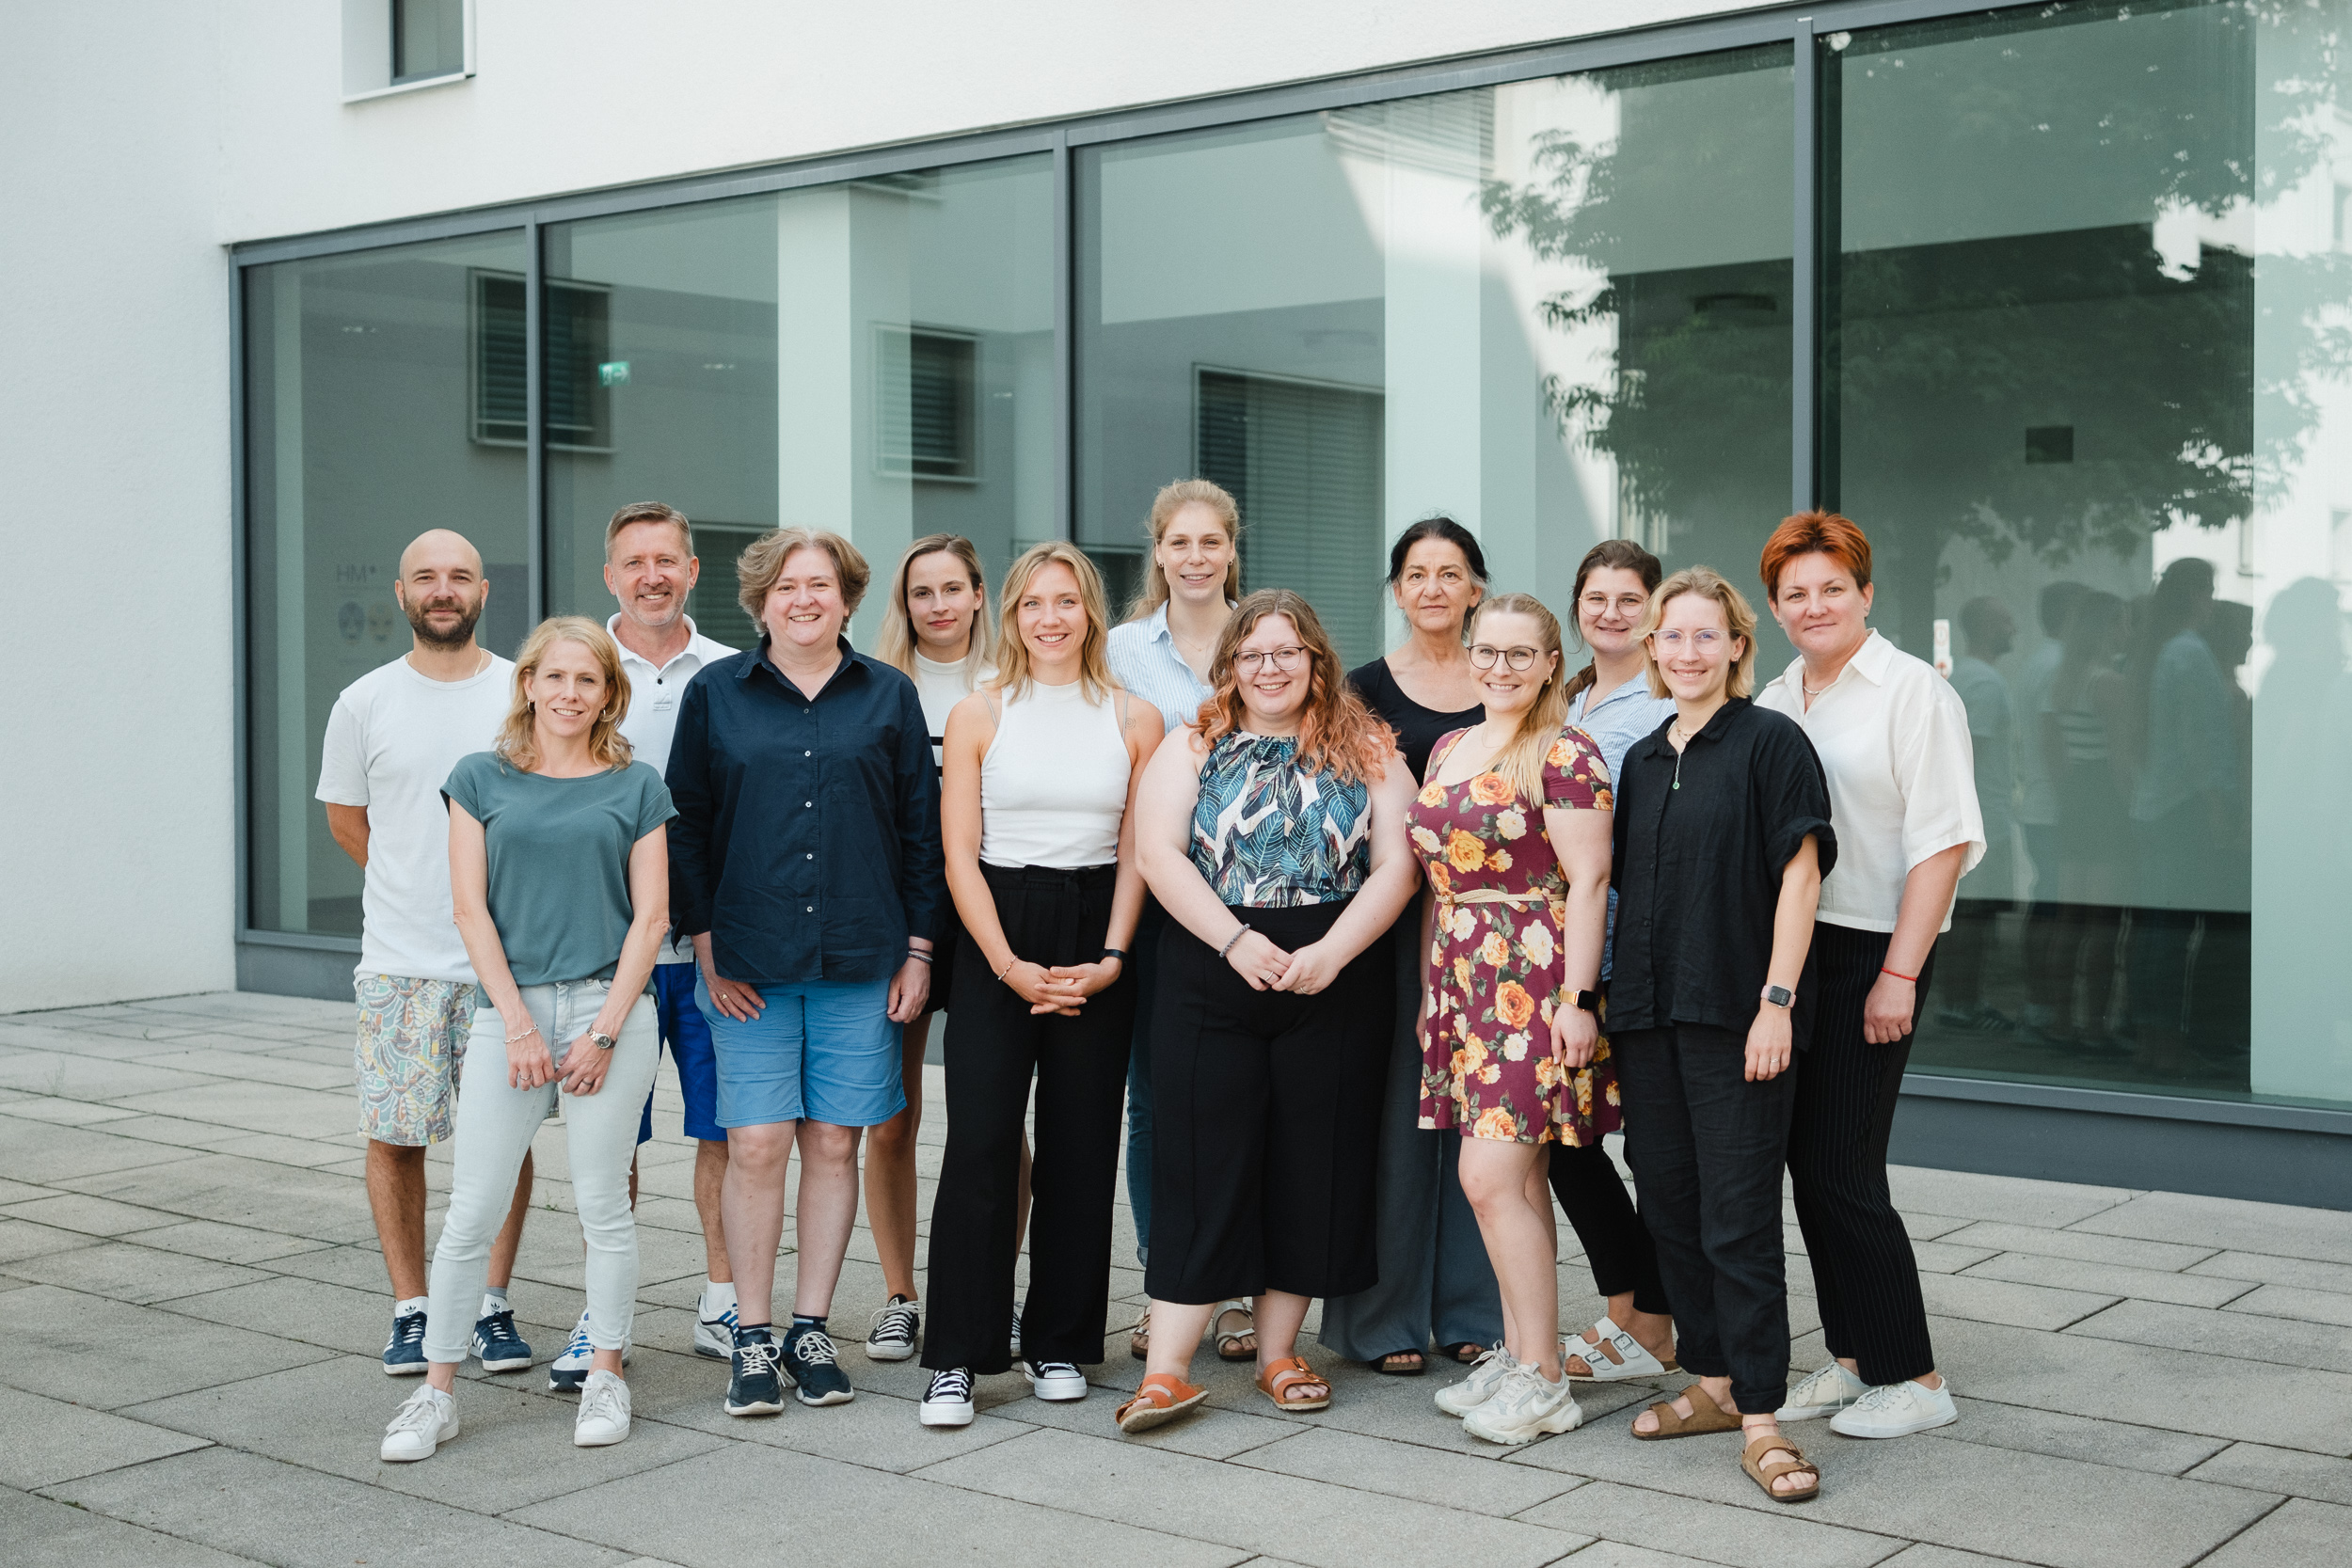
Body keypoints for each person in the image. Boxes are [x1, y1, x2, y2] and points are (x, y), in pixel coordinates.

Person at [1113, 591, 1420, 1433]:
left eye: (1288, 652)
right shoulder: (1192, 743)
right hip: (1210, 968)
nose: (1271, 668)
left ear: (1317, 659)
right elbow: (1157, 855)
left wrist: (1335, 950)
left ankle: (1282, 1353)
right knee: (1201, 1161)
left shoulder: (1370, 749)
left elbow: (1398, 863)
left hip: (1336, 972)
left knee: (1310, 1162)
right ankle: (1169, 1369)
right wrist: (1234, 940)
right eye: (1254, 654)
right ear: (1231, 666)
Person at [379, 617, 675, 1460]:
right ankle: (437, 1393)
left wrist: (606, 1032)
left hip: (609, 1013)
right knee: (470, 1210)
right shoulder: (479, 778)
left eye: (589, 680)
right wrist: (514, 1023)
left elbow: (651, 916)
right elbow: (470, 908)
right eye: (556, 678)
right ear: (530, 685)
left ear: (608, 693)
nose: (570, 694)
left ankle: (607, 1371)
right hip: (504, 1013)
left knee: (602, 1205)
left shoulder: (636, 785)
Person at [665, 527, 942, 1416]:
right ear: (760, 601)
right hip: (747, 959)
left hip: (863, 957)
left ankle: (810, 1326)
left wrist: (921, 951)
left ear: (849, 597)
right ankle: (750, 1333)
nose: (803, 599)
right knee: (755, 1142)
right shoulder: (716, 694)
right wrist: (705, 944)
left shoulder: (889, 696)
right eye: (785, 586)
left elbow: (921, 835)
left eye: (820, 584)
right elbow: (686, 827)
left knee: (834, 1139)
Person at [917, 544, 1164, 1426]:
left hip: (1097, 922)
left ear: (1090, 613)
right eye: (1033, 604)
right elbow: (957, 853)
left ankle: (1058, 1340)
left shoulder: (1134, 718)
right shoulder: (981, 713)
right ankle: (957, 1355)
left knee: (1080, 1146)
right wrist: (1006, 962)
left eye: (1066, 602)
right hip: (998, 925)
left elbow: (1138, 850)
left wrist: (1112, 956)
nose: (1050, 618)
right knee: (981, 1142)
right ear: (1011, 614)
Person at [1756, 512, 1983, 1441]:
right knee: (1807, 1166)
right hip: (1797, 950)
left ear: (1866, 593)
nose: (1815, 605)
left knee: (1844, 1168)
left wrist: (1899, 972)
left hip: (1872, 949)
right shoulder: (1776, 696)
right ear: (1774, 607)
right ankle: (1854, 1356)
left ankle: (1915, 1374)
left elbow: (1944, 840)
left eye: (1831, 587)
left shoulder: (1911, 694)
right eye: (1795, 593)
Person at [1610, 567, 1833, 1504]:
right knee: (1668, 1205)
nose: (1687, 651)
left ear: (1737, 646)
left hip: (1739, 1014)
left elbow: (1801, 874)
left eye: (1707, 636)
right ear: (1651, 647)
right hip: (1647, 1014)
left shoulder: (1772, 741)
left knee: (1738, 1217)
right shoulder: (1642, 756)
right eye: (1672, 635)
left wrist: (1776, 999)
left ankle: (1763, 1418)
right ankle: (1708, 1378)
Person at [316, 528, 538, 1380]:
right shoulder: (363, 701)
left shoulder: (520, 693)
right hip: (400, 965)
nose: (442, 590)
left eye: (458, 577)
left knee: (505, 1142)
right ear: (402, 594)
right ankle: (412, 1309)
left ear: (483, 591)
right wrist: (418, 882)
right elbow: (346, 818)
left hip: (503, 968)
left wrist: (480, 906)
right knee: (395, 1137)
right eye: (425, 578)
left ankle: (487, 1301)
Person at [540, 502, 738, 1393]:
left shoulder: (737, 672)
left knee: (726, 1127)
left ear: (693, 570)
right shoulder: (572, 670)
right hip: (601, 958)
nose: (652, 574)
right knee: (604, 1141)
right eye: (634, 561)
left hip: (708, 950)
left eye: (668, 559)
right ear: (610, 575)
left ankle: (724, 1298)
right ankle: (600, 1310)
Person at [1411, 594, 1615, 1446]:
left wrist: (1578, 1000)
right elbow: (1437, 879)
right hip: (1462, 979)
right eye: (1486, 651)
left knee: (1488, 1179)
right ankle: (1524, 1351)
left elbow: (1591, 881)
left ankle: (1544, 1380)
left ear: (1548, 662)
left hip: (1531, 981)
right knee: (1519, 1183)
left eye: (1520, 654)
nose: (1500, 667)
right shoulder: (1452, 745)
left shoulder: (1566, 751)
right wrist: (1433, 992)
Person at [1322, 516, 1499, 1377]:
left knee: (1480, 1120)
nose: (1433, 586)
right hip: (1386, 929)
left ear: (1476, 588)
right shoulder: (1358, 690)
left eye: (1451, 572)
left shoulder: (1504, 679)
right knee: (1393, 1123)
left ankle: (1470, 1309)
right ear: (1397, 589)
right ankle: (1384, 1318)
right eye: (1417, 573)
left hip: (1489, 936)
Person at [866, 532, 1032, 1364]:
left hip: (989, 915)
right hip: (898, 918)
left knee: (995, 1120)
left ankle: (987, 1290)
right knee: (890, 1117)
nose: (936, 605)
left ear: (978, 596)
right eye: (919, 592)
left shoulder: (1014, 684)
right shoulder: (877, 687)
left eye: (950, 589)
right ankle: (901, 1293)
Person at [1104, 479, 1248, 1364]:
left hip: (1259, 901)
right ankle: (1167, 1283)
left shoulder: (1269, 636)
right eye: (1179, 543)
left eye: (1211, 542)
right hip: (1154, 901)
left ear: (1233, 549)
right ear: (1158, 552)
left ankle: (1233, 1290)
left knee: (1237, 1100)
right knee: (1155, 1102)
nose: (1195, 557)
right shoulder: (1120, 649)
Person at [1552, 539, 1681, 1385]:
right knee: (1568, 1136)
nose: (1610, 612)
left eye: (1628, 599)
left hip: (1634, 948)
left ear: (1655, 609)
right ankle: (1633, 1308)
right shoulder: (1568, 697)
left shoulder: (1664, 702)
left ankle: (1651, 1319)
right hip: (1564, 946)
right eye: (1595, 597)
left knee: (1647, 1145)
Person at [2123, 558, 2233, 1078]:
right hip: (2183, 808)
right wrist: (2218, 809)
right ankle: (2165, 1044)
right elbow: (2204, 742)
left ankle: (2151, 1039)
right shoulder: (2189, 652)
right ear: (2192, 594)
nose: (2212, 601)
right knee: (2170, 932)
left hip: (2157, 805)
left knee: (2155, 930)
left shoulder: (2161, 650)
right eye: (2208, 590)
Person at [2037, 592, 2132, 1053]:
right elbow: (2120, 758)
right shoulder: (2109, 681)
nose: (2127, 632)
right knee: (2103, 921)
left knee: (2070, 917)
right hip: (2103, 797)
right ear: (2105, 628)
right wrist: (2130, 806)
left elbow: (2052, 750)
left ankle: (2060, 1021)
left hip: (2074, 794)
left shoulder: (2063, 680)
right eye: (2122, 623)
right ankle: (2095, 1027)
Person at [1936, 596, 2018, 1033]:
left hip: (1975, 815)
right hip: (1982, 817)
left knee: (1969, 915)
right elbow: (1973, 754)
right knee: (1974, 917)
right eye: (2006, 619)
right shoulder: (1984, 682)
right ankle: (1963, 1003)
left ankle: (1963, 1000)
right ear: (1986, 626)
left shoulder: (1964, 676)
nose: (2015, 627)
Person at [2013, 580, 2087, 1042]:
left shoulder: (2039, 661)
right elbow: (2052, 738)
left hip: (2043, 804)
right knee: (2057, 910)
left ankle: (2042, 1005)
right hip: (2056, 807)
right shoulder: (2057, 664)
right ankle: (2045, 1009)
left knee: (2049, 905)